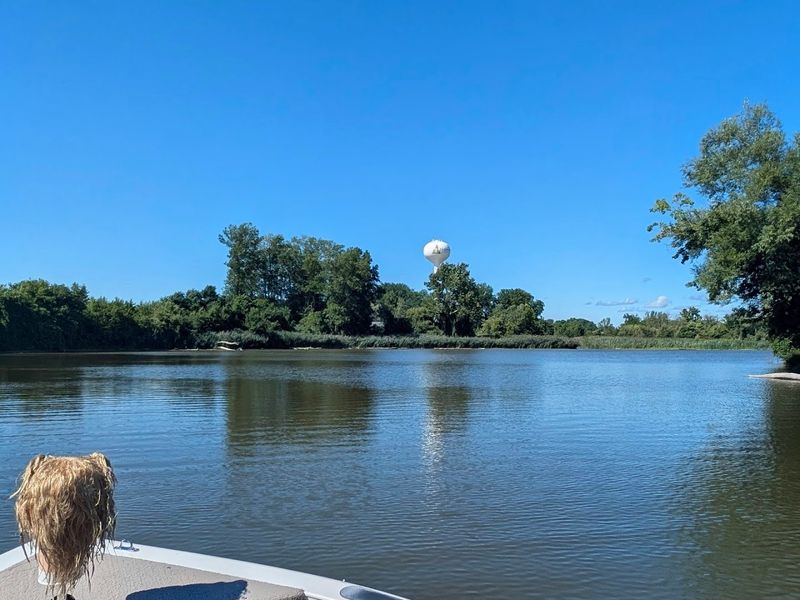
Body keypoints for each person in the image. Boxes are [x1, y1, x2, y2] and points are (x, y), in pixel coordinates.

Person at [12, 453, 117, 600]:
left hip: (57, 538)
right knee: (52, 550)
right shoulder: (46, 523)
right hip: (50, 543)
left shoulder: (79, 525)